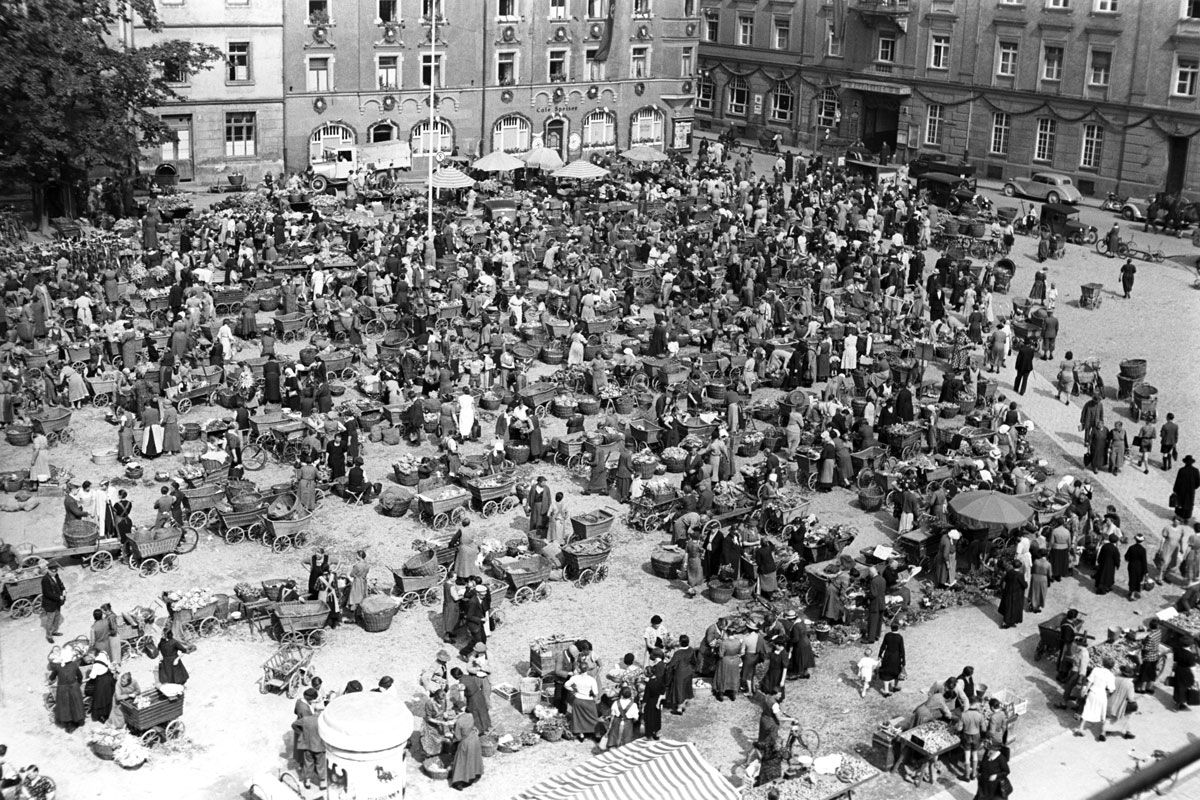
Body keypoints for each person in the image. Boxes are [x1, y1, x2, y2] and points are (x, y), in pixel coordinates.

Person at [1076, 655, 1116, 739]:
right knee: (1102, 712)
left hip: (1092, 692)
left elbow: (1089, 682)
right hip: (1102, 694)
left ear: (1103, 663)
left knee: (1087, 708)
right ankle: (1103, 732)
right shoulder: (1111, 675)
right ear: (1112, 666)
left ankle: (1081, 728)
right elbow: (1111, 689)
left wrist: (1085, 690)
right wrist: (1107, 693)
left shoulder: (1096, 670)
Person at [49, 650, 86, 732]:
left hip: (63, 690)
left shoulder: (58, 666)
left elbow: (52, 677)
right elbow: (80, 676)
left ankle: (69, 724)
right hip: (74, 688)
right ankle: (78, 720)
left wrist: (52, 679)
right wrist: (78, 683)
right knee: (76, 705)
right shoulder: (74, 665)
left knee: (65, 706)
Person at [293, 702, 326, 790]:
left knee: (308, 764)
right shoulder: (322, 722)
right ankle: (322, 783)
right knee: (321, 765)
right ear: (321, 711)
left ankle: (307, 782)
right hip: (320, 747)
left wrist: (301, 734)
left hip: (307, 746)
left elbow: (294, 725)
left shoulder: (306, 719)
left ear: (314, 710)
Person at [449, 710, 483, 790]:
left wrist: (452, 735)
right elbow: (473, 726)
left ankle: (459, 782)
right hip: (475, 740)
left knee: (461, 761)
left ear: (457, 711)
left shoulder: (459, 722)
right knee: (474, 759)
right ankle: (475, 775)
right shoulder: (470, 715)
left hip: (466, 743)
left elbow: (458, 737)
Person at [564, 666, 601, 741]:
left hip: (578, 700)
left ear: (579, 670)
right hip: (588, 700)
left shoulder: (575, 678)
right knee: (593, 717)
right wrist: (595, 698)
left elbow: (566, 685)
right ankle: (596, 733)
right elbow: (596, 693)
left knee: (579, 717)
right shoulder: (592, 679)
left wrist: (573, 689)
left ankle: (581, 734)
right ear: (587, 669)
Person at [663, 634, 697, 714]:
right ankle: (685, 702)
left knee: (679, 690)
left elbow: (672, 665)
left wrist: (666, 664)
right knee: (686, 688)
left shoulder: (678, 653)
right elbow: (694, 661)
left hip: (680, 673)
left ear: (680, 642)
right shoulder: (691, 650)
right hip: (688, 672)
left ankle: (679, 708)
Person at [453, 666, 491, 735]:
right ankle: (487, 726)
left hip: (473, 699)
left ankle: (480, 730)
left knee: (475, 714)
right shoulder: (469, 676)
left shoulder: (461, 684)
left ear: (455, 676)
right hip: (479, 695)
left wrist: (458, 704)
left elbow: (461, 698)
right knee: (483, 711)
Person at [956, 699, 986, 781]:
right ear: (976, 704)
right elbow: (983, 729)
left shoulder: (963, 714)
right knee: (975, 755)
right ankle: (973, 774)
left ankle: (967, 776)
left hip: (966, 735)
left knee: (967, 756)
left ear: (969, 704)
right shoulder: (980, 715)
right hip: (976, 735)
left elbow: (959, 728)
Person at [641, 649, 666, 740]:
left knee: (649, 719)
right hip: (657, 700)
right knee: (657, 717)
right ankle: (656, 732)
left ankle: (650, 735)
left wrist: (643, 705)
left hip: (650, 702)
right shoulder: (658, 681)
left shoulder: (650, 683)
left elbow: (646, 695)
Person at [86, 651, 116, 724]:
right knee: (108, 696)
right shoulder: (104, 653)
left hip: (101, 681)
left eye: (91, 656)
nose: (90, 658)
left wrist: (88, 678)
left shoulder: (96, 664)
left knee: (100, 699)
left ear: (94, 655)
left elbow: (93, 675)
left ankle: (101, 715)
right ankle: (108, 712)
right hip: (109, 678)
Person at [605, 685, 639, 749]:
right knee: (627, 739)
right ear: (630, 695)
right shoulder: (634, 705)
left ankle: (613, 747)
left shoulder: (616, 703)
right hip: (628, 723)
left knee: (614, 736)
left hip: (617, 721)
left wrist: (610, 725)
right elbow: (636, 718)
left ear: (621, 695)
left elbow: (612, 714)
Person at [1106, 669, 1137, 740]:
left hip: (1111, 701)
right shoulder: (1130, 684)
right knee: (1127, 717)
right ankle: (1127, 732)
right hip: (1122, 704)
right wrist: (1133, 702)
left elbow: (1109, 689)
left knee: (1111, 717)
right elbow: (1130, 697)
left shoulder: (1115, 679)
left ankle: (1108, 730)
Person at [39, 564, 66, 644]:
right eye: (52, 572)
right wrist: (59, 597)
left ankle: (54, 631)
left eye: (55, 571)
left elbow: (60, 584)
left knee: (57, 618)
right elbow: (47, 593)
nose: (54, 573)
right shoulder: (45, 580)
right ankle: (49, 636)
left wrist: (63, 589)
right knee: (50, 620)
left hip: (57, 603)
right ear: (48, 570)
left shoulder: (56, 576)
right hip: (50, 604)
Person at [877, 623, 906, 696]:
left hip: (887, 655)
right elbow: (902, 649)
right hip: (896, 657)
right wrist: (903, 660)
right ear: (898, 628)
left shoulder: (887, 635)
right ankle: (893, 686)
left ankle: (886, 690)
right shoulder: (900, 637)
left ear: (891, 628)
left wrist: (880, 654)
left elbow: (883, 646)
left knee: (886, 673)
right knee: (895, 671)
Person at [998, 559, 1026, 628]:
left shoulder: (1009, 572)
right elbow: (1024, 585)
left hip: (1008, 592)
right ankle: (1010, 622)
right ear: (1020, 566)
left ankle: (1006, 622)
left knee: (1008, 607)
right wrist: (1026, 584)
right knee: (1014, 609)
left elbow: (1005, 580)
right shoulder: (1020, 575)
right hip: (1016, 594)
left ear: (1013, 566)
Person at [1171, 643, 1197, 711]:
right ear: (1190, 645)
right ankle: (1179, 704)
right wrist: (1195, 678)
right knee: (1184, 687)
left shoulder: (1178, 651)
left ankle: (1177, 701)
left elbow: (1175, 662)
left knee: (1178, 686)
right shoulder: (1190, 655)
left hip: (1178, 670)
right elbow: (1192, 668)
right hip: (1186, 672)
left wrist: (1172, 671)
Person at [864, 566, 887, 643]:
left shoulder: (874, 581)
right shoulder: (883, 579)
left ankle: (870, 638)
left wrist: (866, 595)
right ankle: (877, 635)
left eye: (869, 573)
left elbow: (873, 594)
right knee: (879, 620)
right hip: (882, 602)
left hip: (875, 603)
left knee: (873, 620)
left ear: (871, 572)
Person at [1174, 455, 1199, 521]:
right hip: (1191, 491)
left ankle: (1179, 516)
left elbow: (1177, 481)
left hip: (1181, 490)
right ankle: (1186, 517)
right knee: (1189, 503)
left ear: (1185, 462)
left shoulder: (1181, 470)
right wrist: (1193, 487)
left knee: (1180, 503)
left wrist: (1175, 490)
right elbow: (1198, 482)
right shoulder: (1196, 471)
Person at [1125, 534, 1148, 600]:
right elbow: (1144, 561)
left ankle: (1130, 591)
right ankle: (1132, 595)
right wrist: (1145, 571)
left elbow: (1126, 557)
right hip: (1139, 567)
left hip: (1131, 565)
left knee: (1131, 578)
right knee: (1136, 580)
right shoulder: (1143, 550)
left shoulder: (1131, 547)